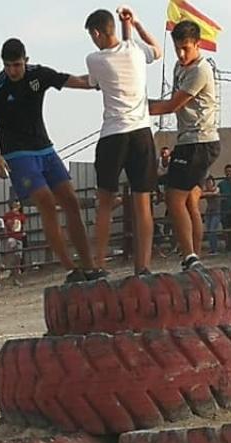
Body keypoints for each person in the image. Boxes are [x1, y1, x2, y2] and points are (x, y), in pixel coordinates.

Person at [0, 38, 97, 283]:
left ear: (25, 61)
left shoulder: (38, 74)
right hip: (17, 155)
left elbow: (73, 80)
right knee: (47, 204)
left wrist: (99, 82)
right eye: (8, 66)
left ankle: (90, 266)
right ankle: (70, 268)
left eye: (17, 65)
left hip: (45, 149)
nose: (12, 71)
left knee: (71, 201)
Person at [84, 7, 162, 275]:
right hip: (141, 131)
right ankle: (143, 266)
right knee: (143, 202)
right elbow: (157, 50)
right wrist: (135, 22)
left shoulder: (94, 59)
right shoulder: (136, 52)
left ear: (96, 33)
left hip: (113, 134)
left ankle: (99, 264)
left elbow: (94, 83)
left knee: (104, 202)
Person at [148, 20, 221, 272]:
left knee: (173, 197)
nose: (181, 53)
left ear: (197, 44)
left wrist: (134, 105)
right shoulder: (180, 67)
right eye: (177, 48)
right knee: (190, 200)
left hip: (197, 142)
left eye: (186, 48)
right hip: (192, 141)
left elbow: (170, 106)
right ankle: (195, 258)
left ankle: (190, 255)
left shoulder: (200, 70)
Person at [3, 200, 27, 286]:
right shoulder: (8, 215)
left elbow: (22, 226)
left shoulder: (21, 216)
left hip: (19, 238)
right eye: (16, 204)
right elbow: (7, 224)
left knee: (18, 258)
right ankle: (5, 264)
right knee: (11, 251)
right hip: (12, 237)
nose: (17, 206)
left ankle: (15, 278)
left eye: (18, 205)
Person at [215, 164, 231, 253]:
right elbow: (218, 195)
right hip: (224, 208)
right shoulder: (221, 184)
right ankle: (227, 245)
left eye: (230, 171)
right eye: (227, 171)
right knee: (226, 228)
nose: (228, 173)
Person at [200, 176, 220, 255]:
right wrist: (208, 193)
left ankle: (214, 249)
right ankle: (211, 249)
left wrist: (208, 193)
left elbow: (215, 193)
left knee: (212, 230)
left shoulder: (217, 188)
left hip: (216, 212)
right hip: (209, 212)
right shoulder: (205, 190)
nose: (208, 184)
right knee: (208, 230)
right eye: (207, 182)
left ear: (213, 182)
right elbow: (200, 194)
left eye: (210, 182)